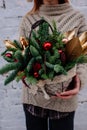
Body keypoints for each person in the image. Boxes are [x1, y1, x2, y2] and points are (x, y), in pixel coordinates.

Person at [19, 0, 87, 130]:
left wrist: (80, 80)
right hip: (33, 99)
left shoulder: (77, 19)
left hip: (64, 98)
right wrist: (23, 72)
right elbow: (22, 55)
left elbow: (84, 56)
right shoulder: (28, 20)